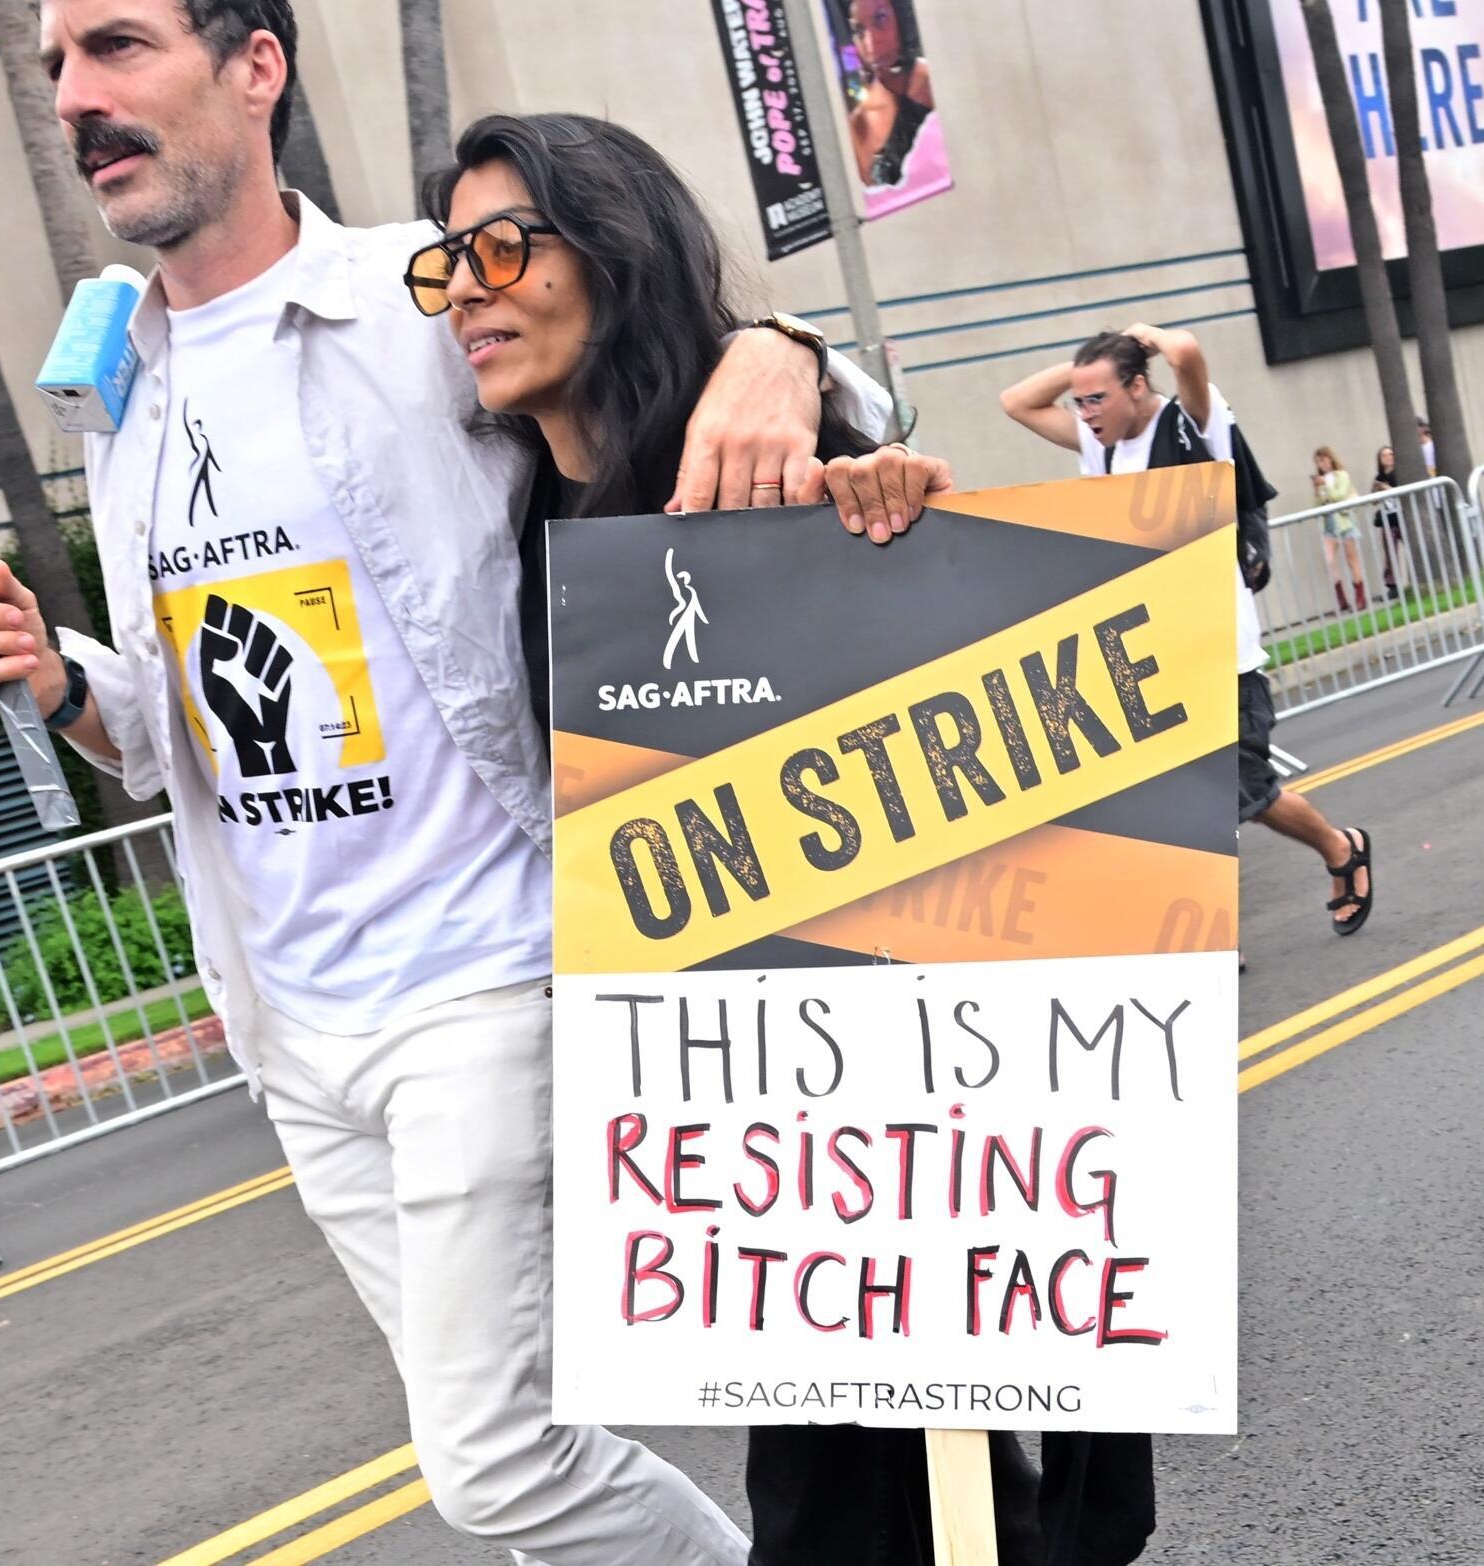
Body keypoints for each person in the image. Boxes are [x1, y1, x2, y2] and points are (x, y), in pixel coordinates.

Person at [0, 7, 917, 1563]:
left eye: (116, 48)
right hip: (289, 1018)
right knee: (527, 1467)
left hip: (482, 973)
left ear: (255, 65)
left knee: (497, 1464)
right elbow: (186, 721)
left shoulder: (423, 295)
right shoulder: (122, 386)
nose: (77, 100)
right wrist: (64, 687)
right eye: (58, 68)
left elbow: (671, 333)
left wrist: (778, 354)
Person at [421, 113, 1150, 1566]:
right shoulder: (520, 518)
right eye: (445, 264)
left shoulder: (754, 449)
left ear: (613, 252)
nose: (468, 290)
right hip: (762, 1136)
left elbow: (956, 634)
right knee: (838, 1520)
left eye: (507, 245)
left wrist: (893, 494)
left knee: (1010, 1511)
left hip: (924, 1087)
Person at [1001, 329, 1372, 941]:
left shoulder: (1193, 425)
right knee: (1174, 806)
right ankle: (1215, 940)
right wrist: (1087, 375)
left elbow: (1189, 355)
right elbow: (1016, 402)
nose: (1084, 412)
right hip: (1147, 657)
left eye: (1097, 399)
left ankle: (1340, 847)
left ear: (1138, 386)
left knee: (1241, 793)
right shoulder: (1102, 450)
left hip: (1222, 653)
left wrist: (1140, 338)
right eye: (1078, 400)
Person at [843, 0, 943, 192]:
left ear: (900, 16)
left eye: (880, 19)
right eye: (859, 31)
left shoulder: (934, 76)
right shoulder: (859, 125)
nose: (871, 42)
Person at [1308, 446, 1370, 612]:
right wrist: (1316, 490)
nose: (1321, 464)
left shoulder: (1341, 475)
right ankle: (1341, 598)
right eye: (1318, 462)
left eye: (1323, 460)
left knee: (1352, 560)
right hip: (1329, 524)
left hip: (1344, 522)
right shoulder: (1321, 480)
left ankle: (1360, 597)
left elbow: (1339, 495)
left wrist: (1325, 486)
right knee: (1329, 561)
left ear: (1330, 459)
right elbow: (1317, 505)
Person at [1368, 444, 1408, 600]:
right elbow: (1373, 501)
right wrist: (1376, 490)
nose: (1388, 457)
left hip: (1403, 517)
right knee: (1390, 554)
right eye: (1384, 455)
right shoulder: (1379, 478)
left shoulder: (1400, 473)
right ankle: (1393, 586)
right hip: (1388, 519)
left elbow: (1402, 493)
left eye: (1390, 454)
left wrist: (1387, 488)